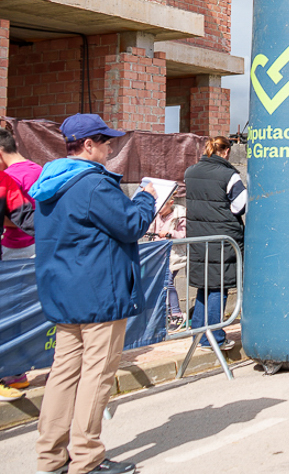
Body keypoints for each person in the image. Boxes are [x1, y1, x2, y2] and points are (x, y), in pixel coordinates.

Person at [31, 113, 154, 474]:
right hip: (99, 292)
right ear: (88, 145)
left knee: (63, 374)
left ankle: (51, 457)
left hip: (63, 290)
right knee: (96, 375)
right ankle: (86, 458)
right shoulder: (93, 184)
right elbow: (130, 225)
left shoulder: (49, 182)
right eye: (105, 141)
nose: (110, 147)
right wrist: (147, 199)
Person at [184, 136, 246, 351]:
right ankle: (214, 338)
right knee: (219, 287)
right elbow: (240, 205)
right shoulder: (229, 175)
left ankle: (199, 336)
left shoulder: (190, 172)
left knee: (205, 287)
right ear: (226, 151)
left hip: (198, 238)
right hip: (223, 239)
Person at [0, 126, 42, 394]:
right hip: (35, 247)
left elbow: (19, 219)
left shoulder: (9, 178)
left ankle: (13, 372)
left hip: (16, 249)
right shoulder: (38, 170)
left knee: (11, 311)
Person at [146, 187, 188, 331]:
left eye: (162, 206)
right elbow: (150, 229)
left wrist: (170, 233)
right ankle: (166, 314)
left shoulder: (179, 215)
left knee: (167, 282)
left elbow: (183, 234)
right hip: (158, 255)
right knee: (160, 285)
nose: (159, 209)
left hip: (173, 255)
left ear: (170, 203)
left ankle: (177, 314)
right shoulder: (156, 215)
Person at [0, 127, 41, 261]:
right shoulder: (38, 169)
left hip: (15, 245)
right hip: (37, 241)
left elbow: (15, 217)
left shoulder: (7, 178)